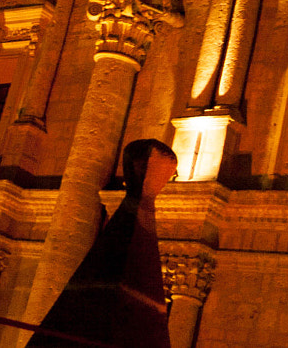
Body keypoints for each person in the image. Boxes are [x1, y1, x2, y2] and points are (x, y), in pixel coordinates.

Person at [27, 138, 178, 348]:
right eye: (169, 172)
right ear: (141, 167)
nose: (167, 179)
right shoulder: (129, 230)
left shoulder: (135, 224)